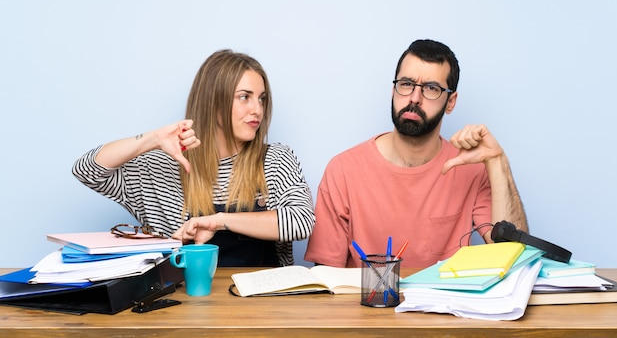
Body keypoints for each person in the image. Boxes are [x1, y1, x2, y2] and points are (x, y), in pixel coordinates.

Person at [73, 49, 315, 267]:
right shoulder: (162, 167)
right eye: (244, 97)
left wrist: (219, 221)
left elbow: (302, 221)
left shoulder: (275, 159)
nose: (257, 110)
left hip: (263, 307)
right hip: (186, 308)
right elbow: (86, 170)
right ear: (214, 102)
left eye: (261, 98)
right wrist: (152, 139)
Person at [304, 39, 528, 269]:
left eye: (431, 88)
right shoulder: (343, 170)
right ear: (393, 90)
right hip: (366, 303)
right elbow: (326, 277)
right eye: (406, 84)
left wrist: (497, 162)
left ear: (450, 102)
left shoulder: (471, 169)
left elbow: (512, 255)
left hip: (442, 304)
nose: (414, 98)